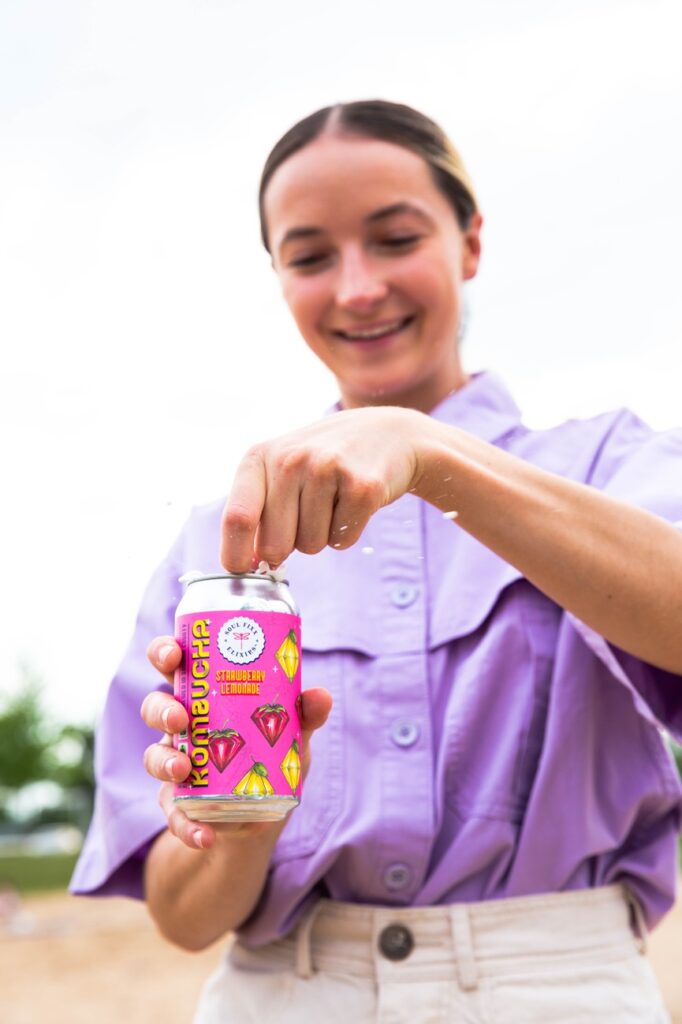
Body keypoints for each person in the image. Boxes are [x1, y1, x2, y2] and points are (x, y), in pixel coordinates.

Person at [71, 100, 682, 1022]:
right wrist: (250, 813)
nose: (357, 288)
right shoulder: (219, 540)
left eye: (396, 239)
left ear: (469, 242)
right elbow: (183, 918)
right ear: (278, 278)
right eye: (310, 256)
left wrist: (427, 452)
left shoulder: (606, 467)